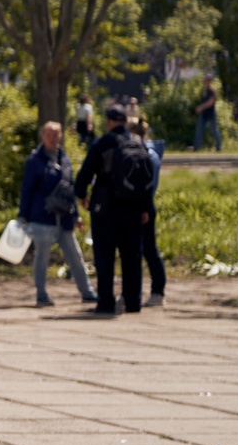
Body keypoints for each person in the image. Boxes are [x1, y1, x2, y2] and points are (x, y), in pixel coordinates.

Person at [74, 105, 158, 316]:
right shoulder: (138, 142)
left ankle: (106, 302)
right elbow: (145, 180)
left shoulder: (103, 143)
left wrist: (82, 194)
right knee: (132, 256)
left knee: (105, 257)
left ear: (109, 121)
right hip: (133, 208)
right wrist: (145, 207)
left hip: (107, 209)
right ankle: (133, 302)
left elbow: (85, 173)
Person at [18, 121, 94, 307]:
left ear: (61, 136)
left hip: (64, 218)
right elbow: (26, 189)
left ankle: (87, 292)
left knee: (75, 256)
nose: (52, 138)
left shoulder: (64, 158)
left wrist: (75, 215)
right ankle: (41, 294)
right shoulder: (35, 160)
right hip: (42, 218)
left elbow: (69, 189)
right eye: (49, 134)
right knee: (42, 258)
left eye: (56, 134)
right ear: (43, 136)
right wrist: (22, 217)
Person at [132, 114, 170, 309]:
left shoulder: (150, 155)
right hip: (134, 205)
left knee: (149, 249)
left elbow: (149, 185)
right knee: (135, 250)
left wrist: (142, 205)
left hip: (145, 206)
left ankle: (158, 291)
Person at [194, 79, 221, 152]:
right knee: (199, 130)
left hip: (211, 114)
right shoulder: (204, 90)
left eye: (206, 80)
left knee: (214, 130)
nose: (204, 82)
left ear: (209, 81)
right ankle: (196, 148)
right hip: (204, 114)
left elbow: (211, 102)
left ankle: (218, 147)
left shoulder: (212, 90)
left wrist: (201, 107)